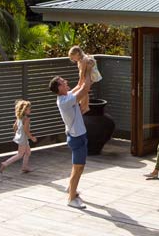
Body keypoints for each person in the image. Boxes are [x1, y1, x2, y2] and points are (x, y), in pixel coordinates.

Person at [48, 75, 91, 209]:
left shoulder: (67, 95)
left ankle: (71, 189)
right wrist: (89, 70)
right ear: (59, 88)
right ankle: (71, 199)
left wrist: (85, 68)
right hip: (77, 138)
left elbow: (80, 84)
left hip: (78, 136)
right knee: (78, 168)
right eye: (63, 82)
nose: (66, 82)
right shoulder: (65, 101)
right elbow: (85, 89)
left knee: (78, 167)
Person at [0, 100, 37, 173]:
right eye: (29, 109)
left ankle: (24, 167)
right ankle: (5, 163)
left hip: (21, 137)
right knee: (20, 154)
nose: (30, 110)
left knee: (28, 152)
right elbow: (26, 130)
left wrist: (17, 134)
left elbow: (14, 126)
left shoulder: (19, 117)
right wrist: (32, 138)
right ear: (24, 110)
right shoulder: (26, 119)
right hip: (23, 139)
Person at [68, 46, 102, 115]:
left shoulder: (84, 60)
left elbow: (82, 73)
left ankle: (84, 107)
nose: (73, 59)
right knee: (83, 90)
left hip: (91, 76)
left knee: (83, 89)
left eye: (73, 57)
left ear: (77, 53)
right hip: (88, 75)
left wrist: (79, 83)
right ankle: (84, 106)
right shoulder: (81, 60)